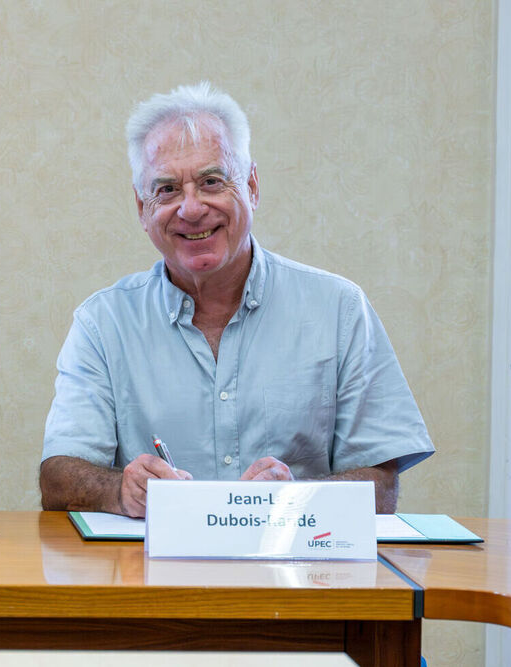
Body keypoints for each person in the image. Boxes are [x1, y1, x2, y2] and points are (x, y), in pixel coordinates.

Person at [40, 82, 433, 518]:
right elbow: (58, 476)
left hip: (298, 574)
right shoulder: (103, 321)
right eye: (167, 190)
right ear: (142, 208)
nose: (191, 209)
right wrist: (120, 490)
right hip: (150, 578)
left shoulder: (338, 309)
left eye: (211, 182)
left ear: (252, 186)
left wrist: (293, 498)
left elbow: (380, 485)